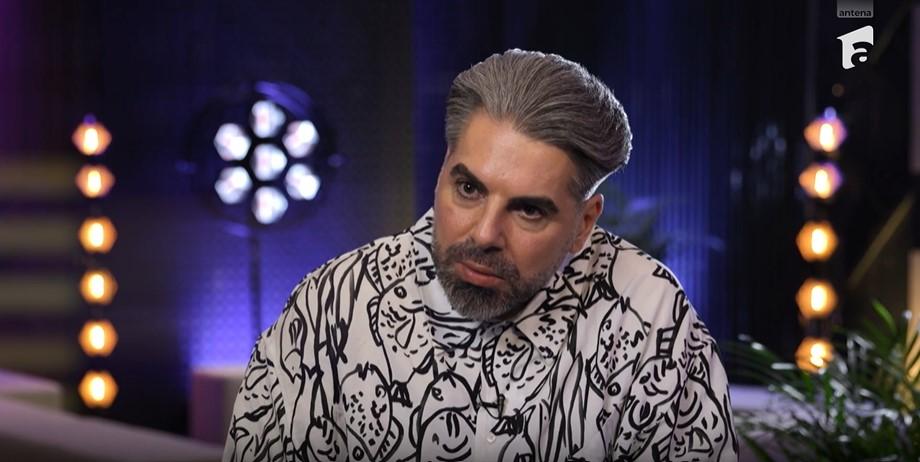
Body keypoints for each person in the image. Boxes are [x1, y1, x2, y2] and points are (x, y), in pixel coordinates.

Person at [223, 49, 738, 462]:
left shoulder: (648, 318)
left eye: (529, 210)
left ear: (583, 223)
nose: (486, 234)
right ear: (442, 170)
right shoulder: (333, 307)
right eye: (468, 189)